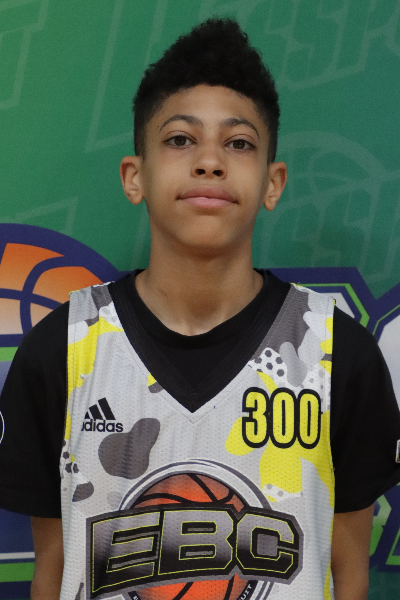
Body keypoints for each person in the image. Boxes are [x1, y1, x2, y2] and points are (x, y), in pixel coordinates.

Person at [1, 18, 400, 600]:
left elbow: (348, 573)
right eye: (180, 139)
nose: (210, 161)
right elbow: (54, 568)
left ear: (273, 182)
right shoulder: (62, 350)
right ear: (135, 176)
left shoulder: (337, 356)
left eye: (239, 143)